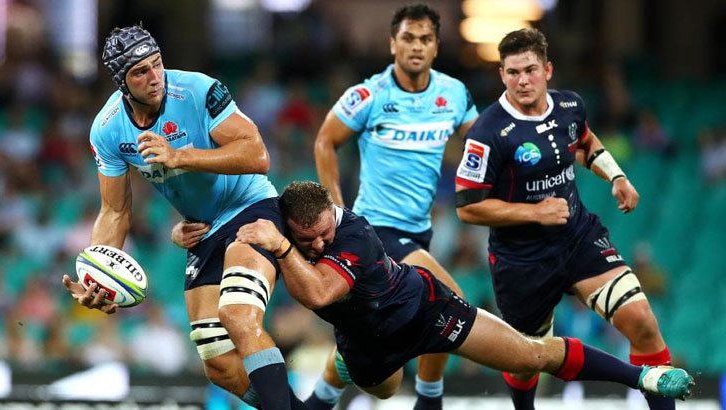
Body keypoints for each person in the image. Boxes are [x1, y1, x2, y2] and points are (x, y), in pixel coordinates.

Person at [236, 181, 694, 405]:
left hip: (425, 310)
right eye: (305, 238)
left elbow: (318, 293)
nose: (317, 244)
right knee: (386, 392)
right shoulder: (287, 223)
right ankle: (340, 370)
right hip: (369, 345)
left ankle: (642, 378)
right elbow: (235, 220)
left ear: (332, 216)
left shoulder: (351, 231)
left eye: (321, 234)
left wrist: (280, 247)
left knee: (530, 354)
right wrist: (189, 233)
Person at [60, 24, 303, 410]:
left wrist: (180, 156)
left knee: (238, 315)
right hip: (202, 231)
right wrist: (99, 275)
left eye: (156, 65)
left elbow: (258, 155)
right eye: (140, 72)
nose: (154, 78)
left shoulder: (197, 89)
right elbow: (115, 210)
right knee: (217, 362)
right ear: (122, 82)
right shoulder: (107, 129)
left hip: (250, 207)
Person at [454, 28, 675, 410]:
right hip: (520, 261)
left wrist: (616, 176)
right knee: (526, 361)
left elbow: (585, 141)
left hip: (577, 238)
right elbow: (467, 206)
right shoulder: (488, 132)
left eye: (530, 70)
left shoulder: (570, 106)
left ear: (548, 70)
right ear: (502, 75)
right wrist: (534, 212)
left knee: (642, 322)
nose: (522, 80)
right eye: (512, 72)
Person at [313, 4, 478, 408]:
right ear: (393, 43)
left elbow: (483, 141)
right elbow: (325, 141)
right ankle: (429, 399)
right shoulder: (369, 95)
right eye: (408, 38)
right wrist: (338, 213)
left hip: (419, 232)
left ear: (437, 46)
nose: (416, 47)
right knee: (451, 305)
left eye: (424, 39)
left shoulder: (453, 94)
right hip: (377, 231)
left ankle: (318, 401)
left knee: (376, 339)